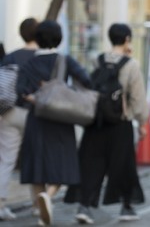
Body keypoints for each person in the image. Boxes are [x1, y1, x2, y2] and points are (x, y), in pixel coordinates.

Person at [66, 23, 149, 224]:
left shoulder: (98, 59)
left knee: (90, 163)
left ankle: (85, 205)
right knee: (123, 164)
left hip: (97, 121)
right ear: (128, 39)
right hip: (121, 122)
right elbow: (137, 97)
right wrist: (142, 121)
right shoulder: (131, 64)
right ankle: (126, 207)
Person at [16, 20, 92, 226]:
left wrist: (37, 97)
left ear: (37, 39)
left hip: (37, 118)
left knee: (36, 163)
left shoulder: (30, 63)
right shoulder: (64, 60)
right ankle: (48, 197)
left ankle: (42, 205)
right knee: (62, 162)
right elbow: (86, 80)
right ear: (59, 38)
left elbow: (20, 91)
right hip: (61, 118)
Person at [0, 18, 39, 220]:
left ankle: (0, 204)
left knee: (6, 160)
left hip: (9, 112)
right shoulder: (44, 58)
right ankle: (37, 205)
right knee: (36, 159)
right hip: (35, 114)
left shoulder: (11, 57)